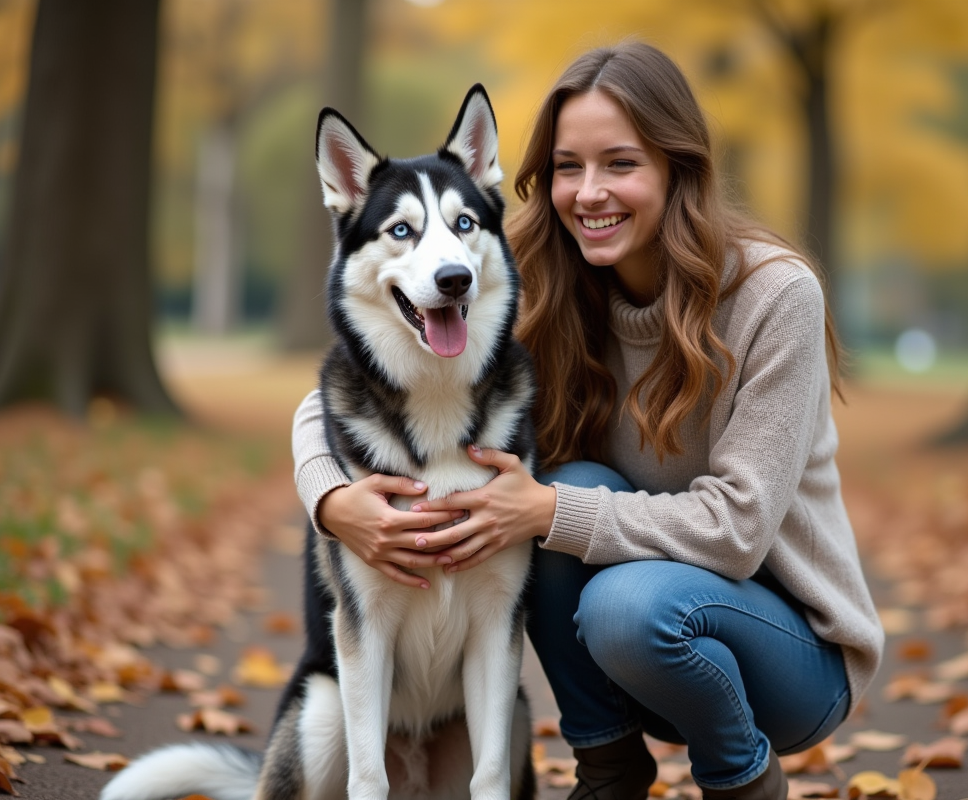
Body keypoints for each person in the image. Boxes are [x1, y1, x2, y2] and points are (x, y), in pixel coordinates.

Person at [292, 42, 883, 800]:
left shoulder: (774, 297)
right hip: (647, 655)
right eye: (569, 166)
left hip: (791, 656)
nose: (590, 192)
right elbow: (339, 393)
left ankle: (741, 780)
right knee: (573, 490)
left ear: (678, 168)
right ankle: (609, 768)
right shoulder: (536, 281)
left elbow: (738, 532)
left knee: (603, 574)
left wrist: (546, 509)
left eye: (621, 163)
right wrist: (331, 500)